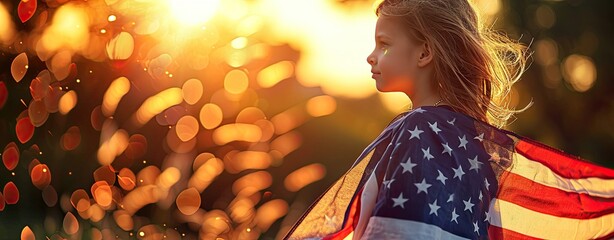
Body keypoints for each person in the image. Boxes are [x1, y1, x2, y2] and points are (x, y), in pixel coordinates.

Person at [283, 0, 614, 239]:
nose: (371, 55)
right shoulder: (478, 147)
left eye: (384, 44)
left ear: (425, 53)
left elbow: (396, 232)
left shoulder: (418, 130)